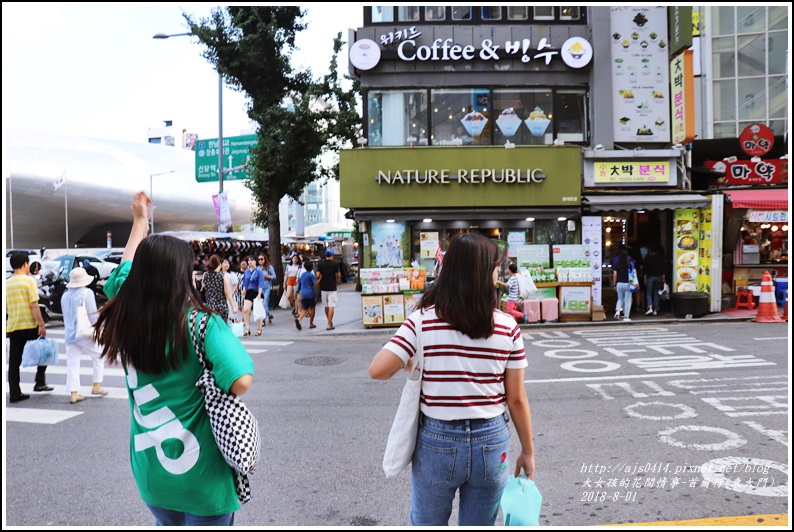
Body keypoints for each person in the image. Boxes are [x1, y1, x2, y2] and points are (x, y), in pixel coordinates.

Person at [96, 192, 254, 526]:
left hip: (152, 475)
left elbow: (124, 271)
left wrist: (140, 221)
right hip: (200, 475)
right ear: (180, 275)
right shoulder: (201, 323)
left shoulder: (126, 314)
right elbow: (240, 380)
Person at [369, 233, 535, 526]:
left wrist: (415, 360)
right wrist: (528, 451)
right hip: (492, 442)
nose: (498, 276)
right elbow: (516, 398)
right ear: (483, 273)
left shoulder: (423, 319)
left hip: (437, 442)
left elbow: (378, 370)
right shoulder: (507, 327)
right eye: (496, 269)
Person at [6, 252, 51, 403]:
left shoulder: (7, 283)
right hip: (29, 325)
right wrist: (41, 324)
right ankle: (39, 382)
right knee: (44, 350)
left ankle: (14, 393)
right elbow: (34, 305)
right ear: (25, 264)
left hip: (13, 327)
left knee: (14, 362)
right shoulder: (28, 281)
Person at [61, 267, 107, 404]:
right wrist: (99, 330)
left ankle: (74, 393)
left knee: (72, 364)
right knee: (99, 356)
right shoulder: (87, 293)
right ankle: (96, 386)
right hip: (85, 333)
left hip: (70, 333)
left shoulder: (65, 295)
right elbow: (92, 315)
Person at [315, 249, 341, 330]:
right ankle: (329, 324)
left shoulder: (320, 264)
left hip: (323, 287)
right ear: (332, 256)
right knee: (331, 306)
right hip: (332, 287)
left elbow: (317, 275)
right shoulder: (335, 264)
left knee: (326, 306)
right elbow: (339, 275)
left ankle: (329, 321)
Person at [202, 255, 231, 323]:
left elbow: (203, 287)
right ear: (219, 264)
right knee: (221, 328)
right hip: (221, 306)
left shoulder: (205, 275)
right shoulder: (223, 276)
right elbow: (227, 292)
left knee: (211, 328)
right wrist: (233, 306)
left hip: (209, 306)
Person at [242, 255, 265, 336]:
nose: (250, 262)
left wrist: (259, 294)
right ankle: (247, 328)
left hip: (257, 292)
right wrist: (244, 289)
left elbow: (260, 284)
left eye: (251, 260)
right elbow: (245, 282)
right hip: (249, 292)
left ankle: (259, 328)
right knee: (246, 310)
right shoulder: (246, 271)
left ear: (255, 261)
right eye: (249, 260)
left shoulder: (259, 271)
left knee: (257, 311)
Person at [612, 248, 636, 321]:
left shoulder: (617, 264)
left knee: (620, 299)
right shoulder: (630, 264)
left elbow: (615, 275)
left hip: (619, 283)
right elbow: (634, 274)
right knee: (627, 300)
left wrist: (614, 284)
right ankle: (626, 317)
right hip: (628, 284)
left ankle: (618, 311)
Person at [294, 260, 317, 331]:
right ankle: (311, 323)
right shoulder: (311, 275)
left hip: (303, 294)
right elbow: (315, 284)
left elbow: (299, 283)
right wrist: (320, 279)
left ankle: (299, 318)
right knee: (312, 308)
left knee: (305, 309)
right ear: (311, 267)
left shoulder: (302, 275)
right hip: (310, 294)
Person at [643, 246, 664, 316]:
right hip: (658, 278)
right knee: (656, 294)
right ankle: (655, 310)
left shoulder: (647, 258)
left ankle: (650, 308)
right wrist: (663, 279)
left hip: (650, 278)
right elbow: (663, 270)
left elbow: (645, 270)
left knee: (648, 293)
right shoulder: (660, 258)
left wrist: (645, 278)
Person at [258, 253, 276, 326]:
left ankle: (263, 320)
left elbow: (274, 276)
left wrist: (268, 276)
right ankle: (270, 315)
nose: (260, 261)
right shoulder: (258, 268)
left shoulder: (269, 267)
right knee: (262, 304)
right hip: (260, 288)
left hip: (267, 287)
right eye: (259, 259)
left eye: (262, 259)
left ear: (265, 259)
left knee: (265, 303)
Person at [222, 258, 240, 323]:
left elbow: (235, 285)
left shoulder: (231, 274)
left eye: (228, 263)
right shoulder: (219, 274)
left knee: (232, 314)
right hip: (222, 297)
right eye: (225, 263)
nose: (227, 265)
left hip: (231, 296)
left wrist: (231, 294)